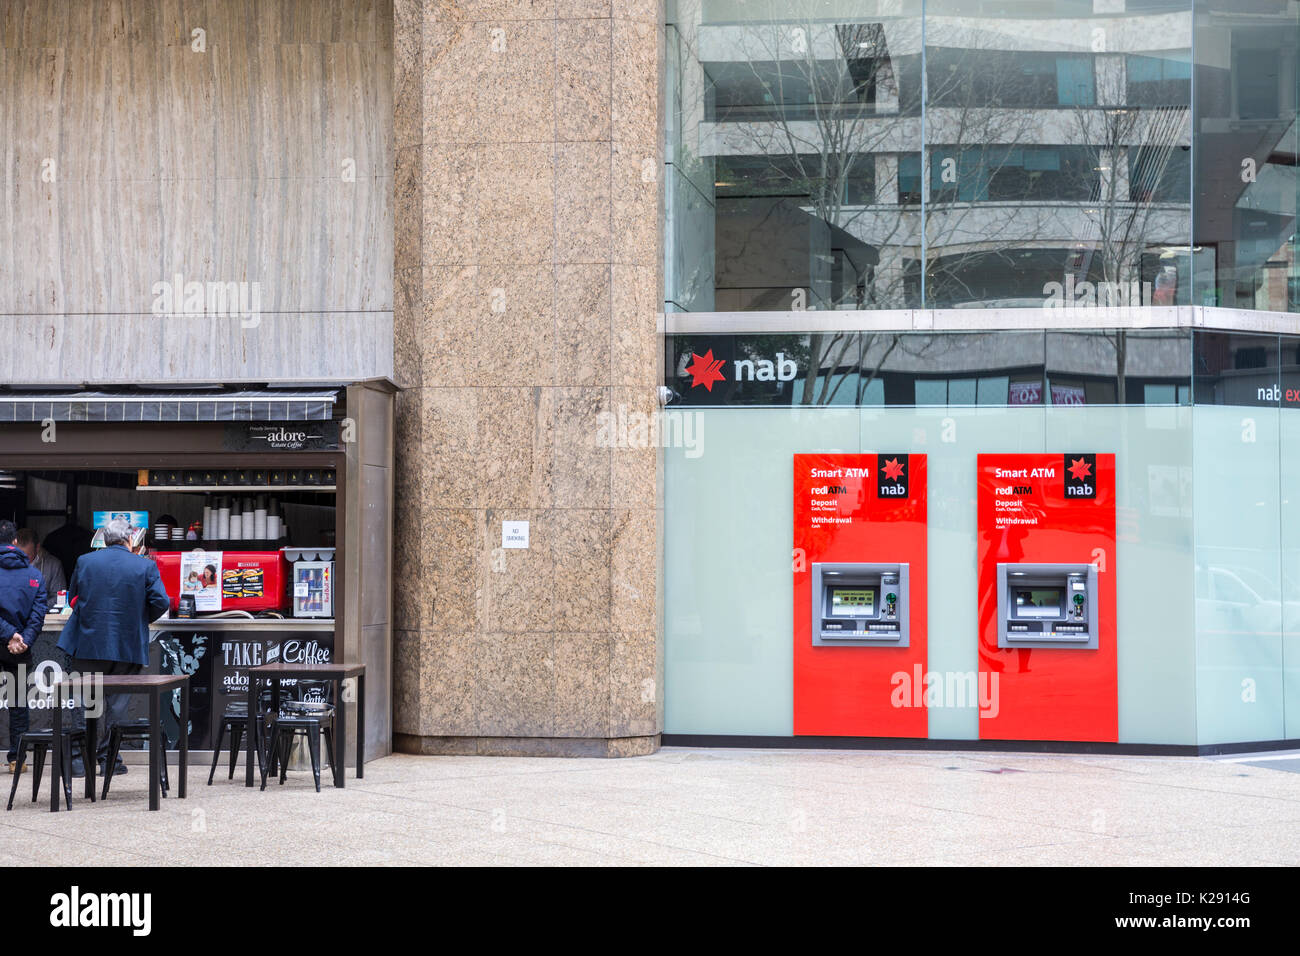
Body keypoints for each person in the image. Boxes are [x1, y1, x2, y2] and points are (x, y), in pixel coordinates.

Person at [57, 518, 170, 776]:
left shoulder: (85, 562)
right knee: (117, 707)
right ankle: (109, 760)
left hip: (87, 643)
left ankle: (78, 761)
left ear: (105, 540)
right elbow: (161, 601)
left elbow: (73, 599)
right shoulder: (144, 566)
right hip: (127, 645)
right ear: (130, 540)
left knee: (85, 704)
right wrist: (140, 620)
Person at [0, 520, 47, 773]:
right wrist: (22, 639)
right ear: (15, 541)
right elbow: (38, 615)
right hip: (18, 649)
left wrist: (9, 635)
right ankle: (17, 759)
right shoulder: (34, 575)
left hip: (9, 641)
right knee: (19, 703)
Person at [15, 528, 67, 598]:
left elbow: (59, 598)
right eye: (18, 554)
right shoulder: (6, 563)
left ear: (37, 547)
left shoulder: (53, 565)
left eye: (27, 555)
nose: (22, 559)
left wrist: (35, 607)